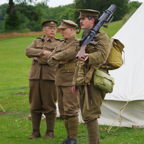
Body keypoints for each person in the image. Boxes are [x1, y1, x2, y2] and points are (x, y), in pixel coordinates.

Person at [72, 9, 112, 144]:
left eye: (83, 18)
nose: (80, 21)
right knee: (86, 115)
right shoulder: (85, 34)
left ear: (92, 20)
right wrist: (75, 82)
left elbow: (103, 55)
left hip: (95, 79)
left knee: (90, 116)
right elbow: (78, 61)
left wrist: (89, 57)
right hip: (83, 79)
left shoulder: (101, 36)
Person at [25, 20, 61, 140]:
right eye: (50, 28)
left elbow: (54, 59)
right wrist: (43, 52)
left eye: (54, 28)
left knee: (49, 105)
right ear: (44, 30)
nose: (53, 30)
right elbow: (27, 51)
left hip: (50, 78)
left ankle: (50, 132)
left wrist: (37, 57)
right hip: (34, 77)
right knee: (34, 105)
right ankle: (36, 132)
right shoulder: (37, 41)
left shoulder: (59, 43)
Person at [47, 19, 79, 144]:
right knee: (63, 111)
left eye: (63, 30)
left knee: (71, 110)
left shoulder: (77, 43)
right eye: (60, 30)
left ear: (71, 30)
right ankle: (68, 138)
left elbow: (69, 53)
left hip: (71, 81)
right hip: (59, 80)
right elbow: (50, 59)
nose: (60, 32)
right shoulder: (61, 44)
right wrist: (60, 61)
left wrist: (57, 57)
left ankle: (73, 139)